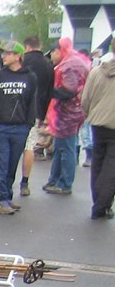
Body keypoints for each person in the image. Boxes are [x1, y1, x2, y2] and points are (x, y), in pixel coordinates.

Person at [0, 42, 36, 215]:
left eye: (8, 53)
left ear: (18, 56)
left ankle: (7, 196)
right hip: (0, 127)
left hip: (20, 127)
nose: (3, 56)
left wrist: (28, 125)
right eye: (3, 53)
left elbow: (32, 103)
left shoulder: (30, 77)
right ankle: (0, 199)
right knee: (1, 164)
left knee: (12, 165)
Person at [43, 38, 90, 195]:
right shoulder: (76, 61)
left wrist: (48, 91)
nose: (51, 57)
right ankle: (55, 179)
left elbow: (69, 90)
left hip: (69, 113)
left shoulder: (69, 66)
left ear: (58, 51)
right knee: (60, 147)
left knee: (66, 148)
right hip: (73, 111)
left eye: (52, 53)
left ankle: (64, 183)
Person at [80, 51, 115, 219]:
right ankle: (102, 205)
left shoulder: (96, 72)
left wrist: (89, 114)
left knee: (98, 162)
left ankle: (98, 201)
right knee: (111, 166)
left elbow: (85, 99)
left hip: (97, 123)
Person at [18, 35, 55, 197]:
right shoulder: (48, 64)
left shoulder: (22, 61)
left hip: (17, 110)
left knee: (10, 148)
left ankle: (3, 183)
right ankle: (24, 183)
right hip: (36, 112)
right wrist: (43, 114)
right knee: (29, 147)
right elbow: (49, 92)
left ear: (27, 47)